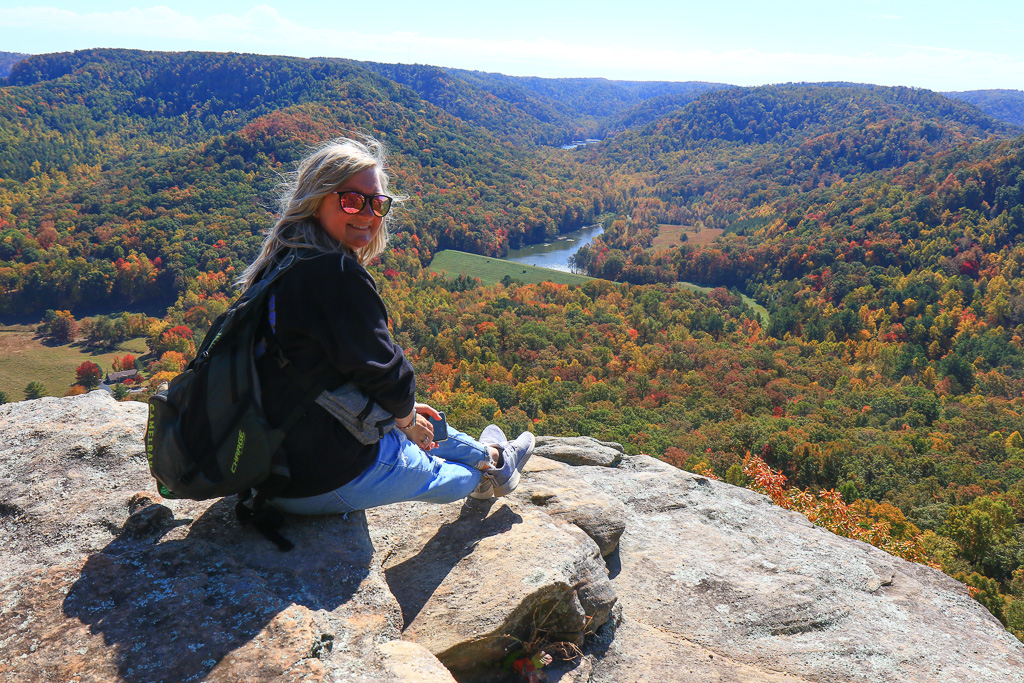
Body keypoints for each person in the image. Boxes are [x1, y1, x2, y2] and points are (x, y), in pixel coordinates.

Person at [235, 135, 534, 516]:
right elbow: (388, 373)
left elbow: (333, 368)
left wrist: (402, 412)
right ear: (315, 199)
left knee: (412, 417)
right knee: (436, 472)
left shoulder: (279, 263)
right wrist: (404, 418)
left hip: (266, 465)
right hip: (319, 476)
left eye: (377, 203)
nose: (368, 213)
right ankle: (487, 476)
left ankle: (492, 455)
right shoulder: (335, 274)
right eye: (351, 199)